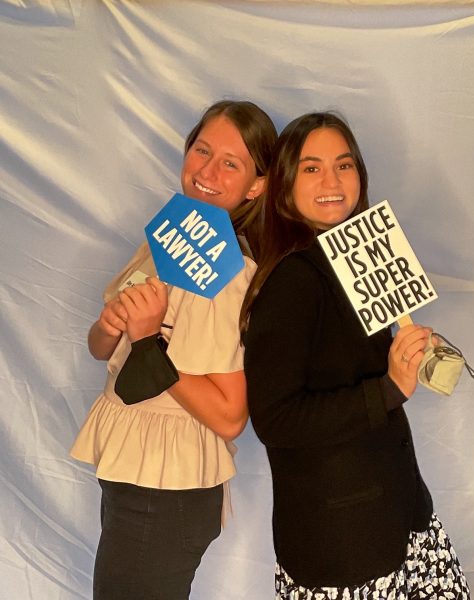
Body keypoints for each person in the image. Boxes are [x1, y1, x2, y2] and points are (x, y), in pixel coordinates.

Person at [241, 112, 470, 599]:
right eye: (312, 168)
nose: (332, 182)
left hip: (402, 519)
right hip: (343, 546)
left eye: (344, 165)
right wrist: (387, 389)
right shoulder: (291, 281)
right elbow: (276, 420)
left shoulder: (351, 258)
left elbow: (344, 363)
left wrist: (407, 353)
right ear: (285, 183)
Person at [70, 100, 277, 600]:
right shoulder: (167, 237)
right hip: (133, 471)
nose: (208, 171)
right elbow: (103, 350)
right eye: (202, 151)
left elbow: (230, 416)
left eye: (231, 163)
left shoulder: (229, 273)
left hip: (165, 490)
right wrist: (110, 326)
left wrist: (147, 340)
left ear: (256, 185)